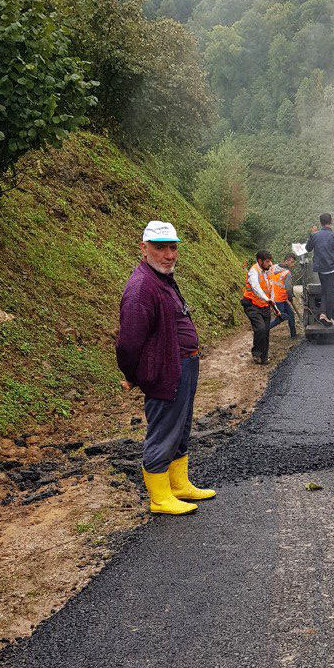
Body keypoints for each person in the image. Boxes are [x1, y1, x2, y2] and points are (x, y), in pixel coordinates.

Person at [116, 221, 216, 515]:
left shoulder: (162, 279)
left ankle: (179, 484)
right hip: (164, 370)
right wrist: (132, 375)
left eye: (173, 248)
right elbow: (127, 343)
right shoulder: (141, 289)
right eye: (160, 248)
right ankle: (160, 498)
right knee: (164, 429)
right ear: (144, 249)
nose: (169, 255)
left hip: (183, 364)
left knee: (181, 426)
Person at [305, 212, 334, 325]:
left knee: (324, 290)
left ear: (320, 223)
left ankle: (323, 313)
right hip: (332, 268)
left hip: (320, 268)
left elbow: (308, 248)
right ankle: (329, 317)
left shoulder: (314, 235)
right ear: (331, 221)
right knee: (330, 292)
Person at [242, 249, 274, 364]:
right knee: (260, 328)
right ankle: (256, 353)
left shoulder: (267, 271)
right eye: (267, 261)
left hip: (265, 306)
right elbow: (255, 287)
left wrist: (272, 301)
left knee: (266, 331)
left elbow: (271, 287)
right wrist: (267, 299)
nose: (269, 264)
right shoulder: (253, 271)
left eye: (270, 261)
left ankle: (264, 357)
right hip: (252, 305)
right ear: (260, 261)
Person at [268, 253, 298, 338]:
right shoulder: (287, 273)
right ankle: (263, 329)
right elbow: (288, 289)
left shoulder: (274, 267)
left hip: (278, 298)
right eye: (292, 262)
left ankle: (294, 335)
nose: (293, 264)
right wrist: (290, 298)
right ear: (286, 261)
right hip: (279, 300)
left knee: (291, 315)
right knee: (280, 318)